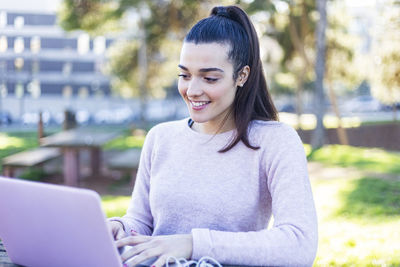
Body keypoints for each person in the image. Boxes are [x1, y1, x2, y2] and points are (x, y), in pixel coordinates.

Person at [108, 5, 318, 267]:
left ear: (242, 75)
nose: (192, 90)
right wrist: (120, 228)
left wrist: (193, 244)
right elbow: (141, 223)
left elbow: (299, 244)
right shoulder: (160, 138)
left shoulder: (274, 141)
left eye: (209, 78)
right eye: (184, 75)